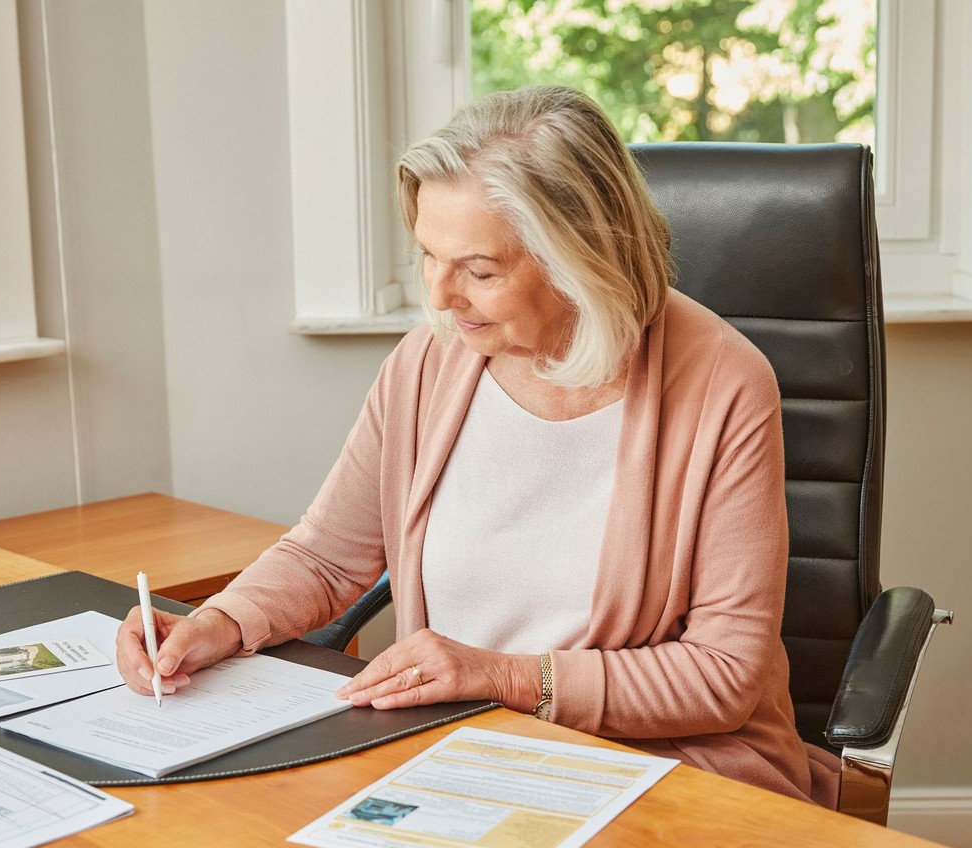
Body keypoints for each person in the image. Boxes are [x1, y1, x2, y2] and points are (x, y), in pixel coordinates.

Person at [117, 85, 838, 806]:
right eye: (429, 255)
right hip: (462, 757)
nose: (440, 295)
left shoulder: (724, 384)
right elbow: (327, 555)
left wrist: (507, 678)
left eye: (479, 271)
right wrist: (216, 622)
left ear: (578, 259)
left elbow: (724, 674)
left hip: (664, 770)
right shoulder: (429, 362)